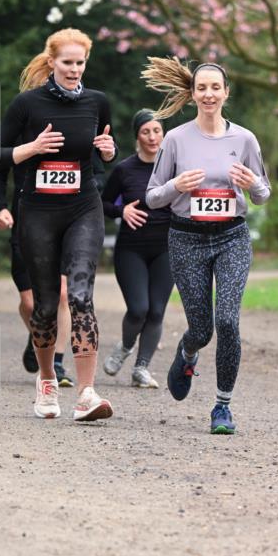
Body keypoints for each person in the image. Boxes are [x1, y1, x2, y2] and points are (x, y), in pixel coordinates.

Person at [0, 27, 116, 421]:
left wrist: (109, 151)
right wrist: (32, 148)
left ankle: (87, 393)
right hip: (38, 211)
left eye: (80, 63)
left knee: (79, 295)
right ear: (52, 62)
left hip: (83, 207)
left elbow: (104, 151)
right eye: (67, 62)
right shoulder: (26, 104)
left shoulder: (98, 102)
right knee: (45, 305)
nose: (74, 69)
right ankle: (46, 381)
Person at [144, 57, 271, 434]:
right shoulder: (175, 139)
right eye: (202, 88)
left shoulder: (244, 139)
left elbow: (263, 194)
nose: (209, 94)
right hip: (186, 238)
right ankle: (188, 352)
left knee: (227, 321)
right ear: (192, 94)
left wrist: (252, 184)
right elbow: (152, 197)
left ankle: (222, 407)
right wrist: (176, 186)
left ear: (226, 93)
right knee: (202, 330)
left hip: (232, 237)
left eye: (216, 87)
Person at [0, 150, 108, 387]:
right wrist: (1, 207)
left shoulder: (76, 133)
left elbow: (99, 171)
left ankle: (56, 362)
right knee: (32, 304)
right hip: (28, 222)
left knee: (63, 294)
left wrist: (86, 189)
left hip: (68, 222)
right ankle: (38, 332)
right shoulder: (24, 132)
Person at [101, 110, 174, 388]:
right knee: (138, 308)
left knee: (156, 311)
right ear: (137, 136)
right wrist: (122, 211)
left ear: (164, 135)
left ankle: (141, 368)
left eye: (157, 131)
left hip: (166, 248)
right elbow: (103, 203)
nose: (152, 137)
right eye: (146, 131)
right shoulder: (124, 170)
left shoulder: (175, 169)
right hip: (131, 248)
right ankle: (125, 346)